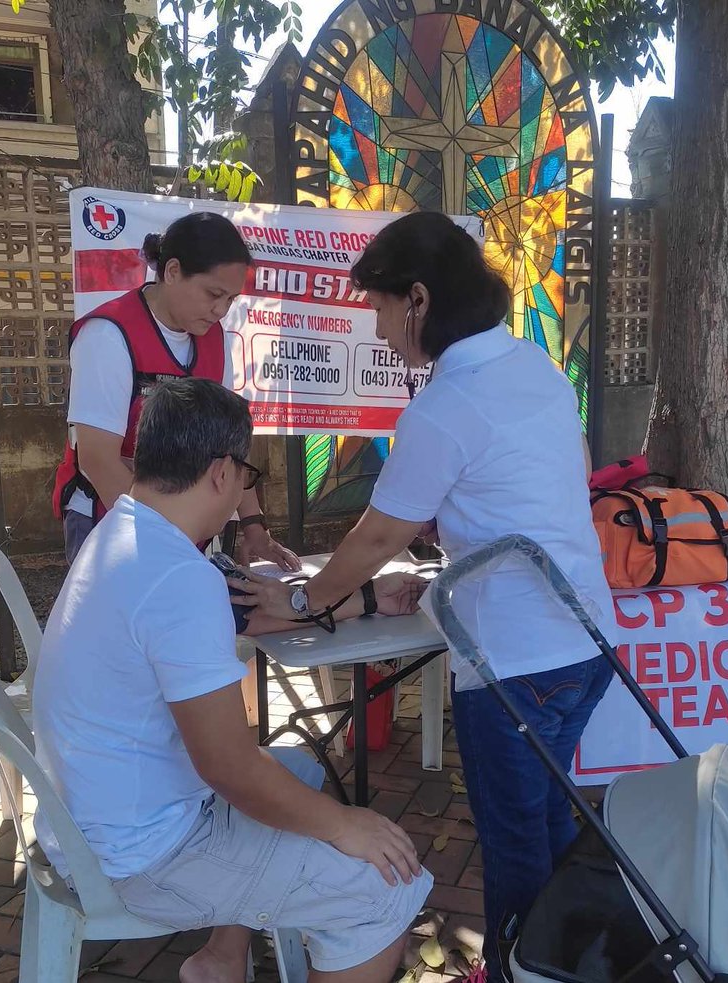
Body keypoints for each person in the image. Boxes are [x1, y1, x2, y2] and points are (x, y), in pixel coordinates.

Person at [231, 211, 617, 982]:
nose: (376, 330)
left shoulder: (445, 405)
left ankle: (520, 969)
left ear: (416, 299)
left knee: (516, 854)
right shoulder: (534, 365)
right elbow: (559, 480)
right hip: (586, 642)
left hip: (515, 664)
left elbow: (376, 538)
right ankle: (555, 966)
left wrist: (306, 603)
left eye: (377, 307)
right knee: (545, 829)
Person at [33, 378, 433, 983]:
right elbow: (227, 767)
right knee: (384, 891)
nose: (243, 490)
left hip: (90, 818)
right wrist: (344, 825)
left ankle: (221, 959)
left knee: (296, 766)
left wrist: (362, 599)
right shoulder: (176, 574)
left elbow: (250, 626)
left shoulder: (119, 533)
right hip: (139, 855)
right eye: (248, 476)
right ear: (222, 472)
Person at [52, 211, 299, 571]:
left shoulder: (214, 339)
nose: (220, 310)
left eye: (230, 299)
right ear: (171, 271)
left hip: (181, 526)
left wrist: (253, 525)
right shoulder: (108, 335)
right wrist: (169, 538)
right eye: (213, 294)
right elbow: (98, 461)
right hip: (110, 517)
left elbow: (227, 446)